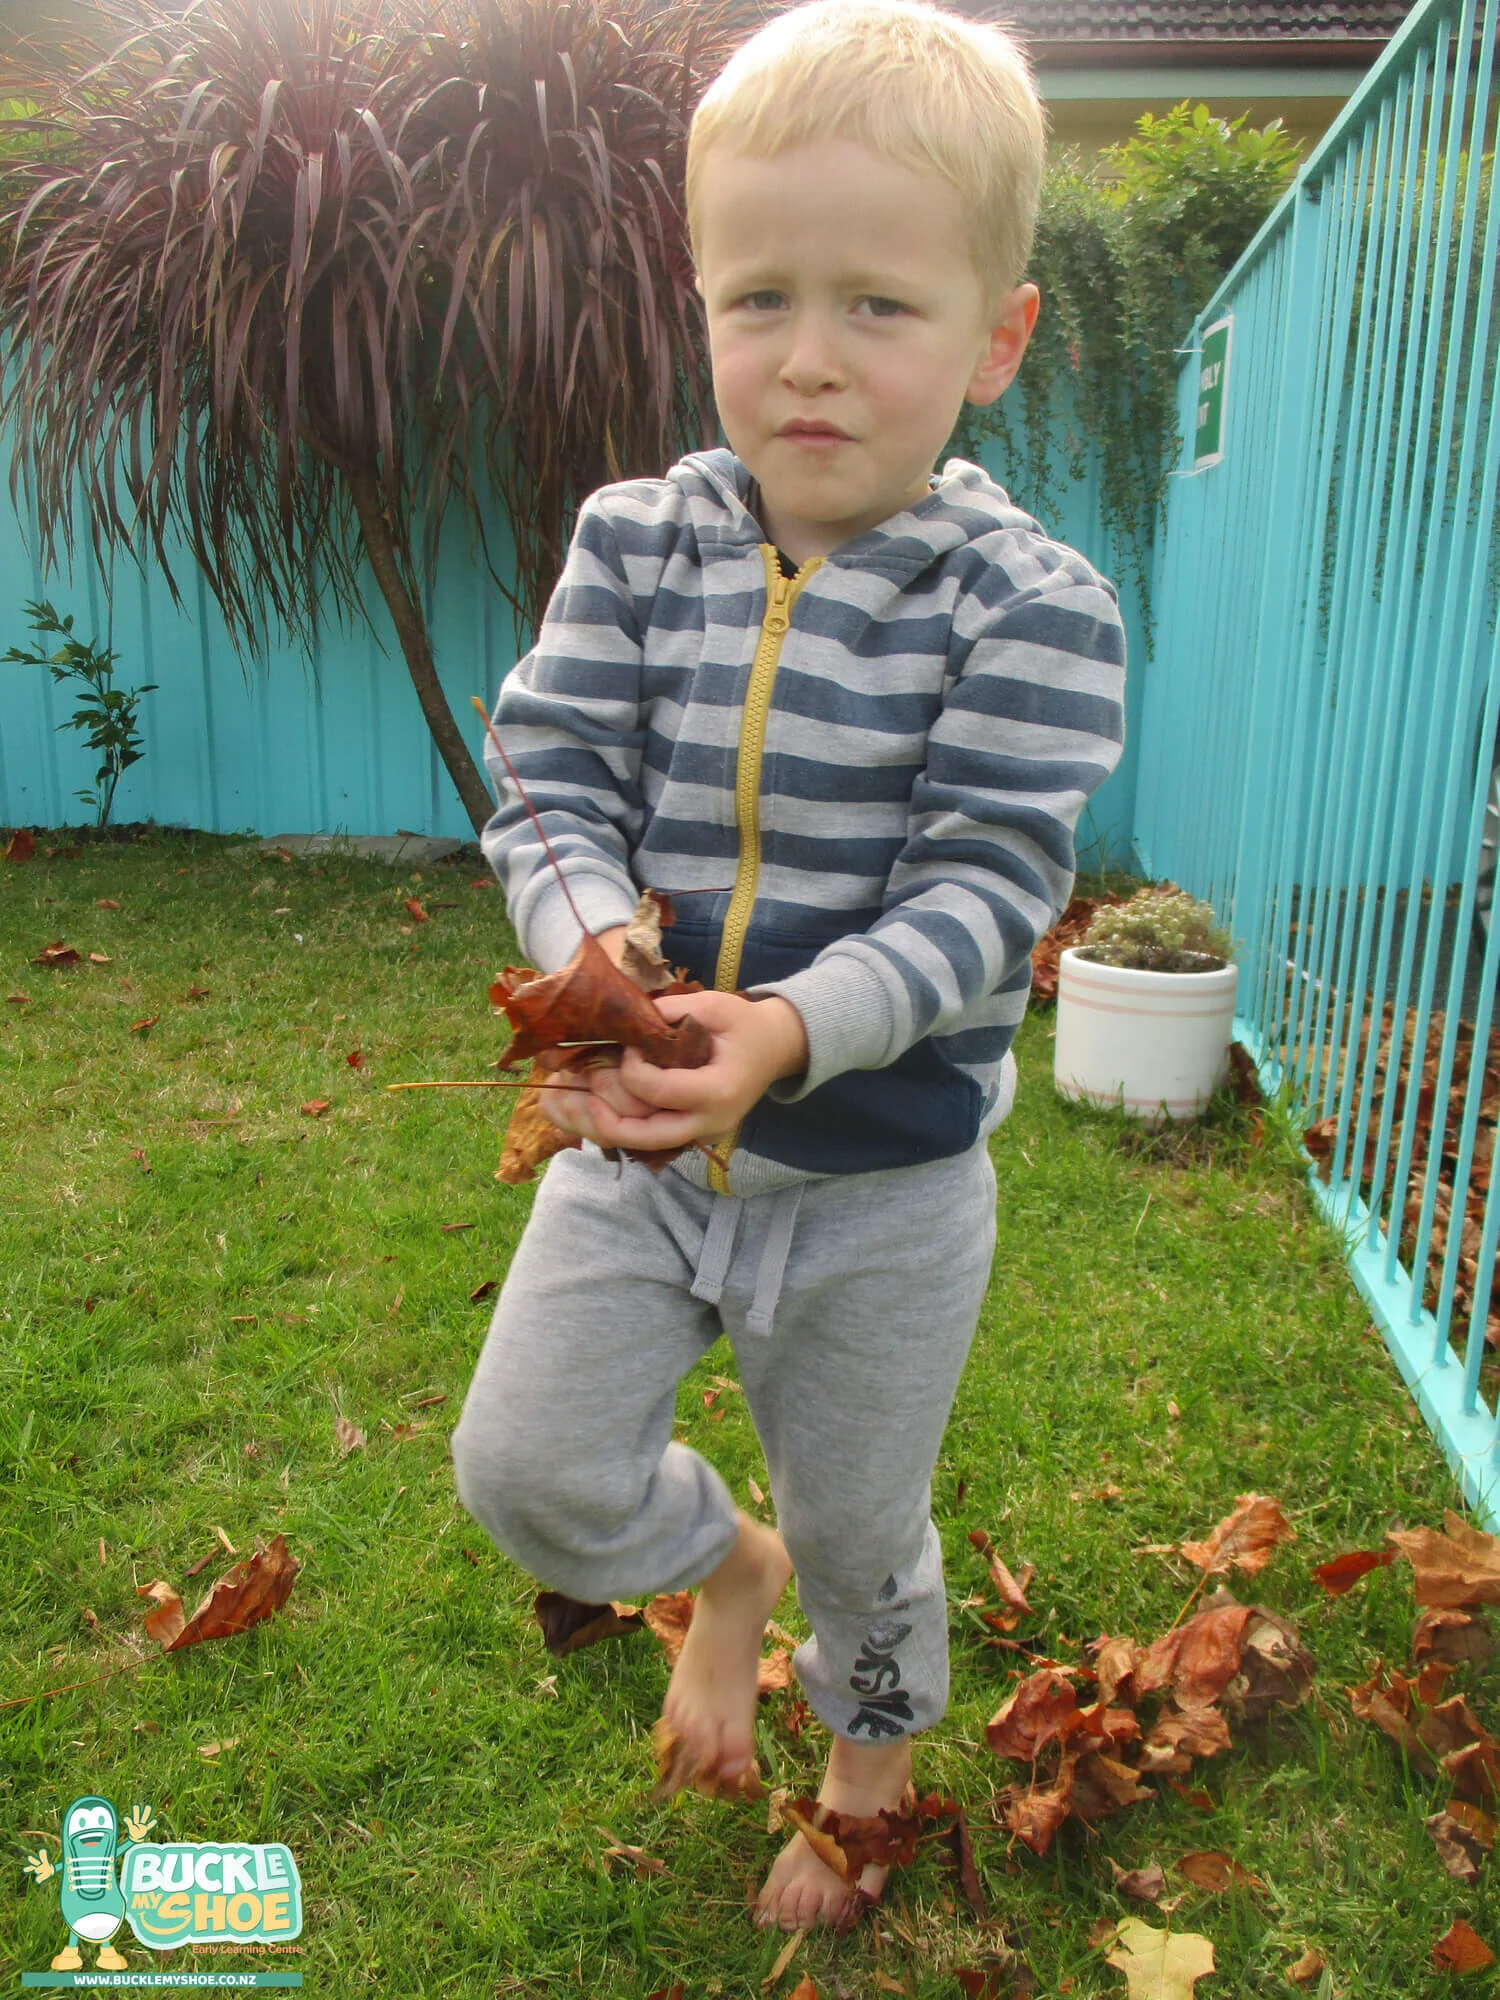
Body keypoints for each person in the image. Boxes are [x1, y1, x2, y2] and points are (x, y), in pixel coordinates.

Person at [452, 0, 1126, 1932]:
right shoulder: (635, 545)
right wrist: (596, 968)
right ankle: (714, 1573)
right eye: (759, 298)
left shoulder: (1035, 609)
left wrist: (789, 1033)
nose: (809, 359)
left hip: (885, 1189)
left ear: (994, 337)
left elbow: (988, 888)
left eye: (879, 309)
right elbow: (548, 779)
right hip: (643, 1149)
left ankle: (864, 1768)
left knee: (864, 1535)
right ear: (700, 302)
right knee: (525, 1469)